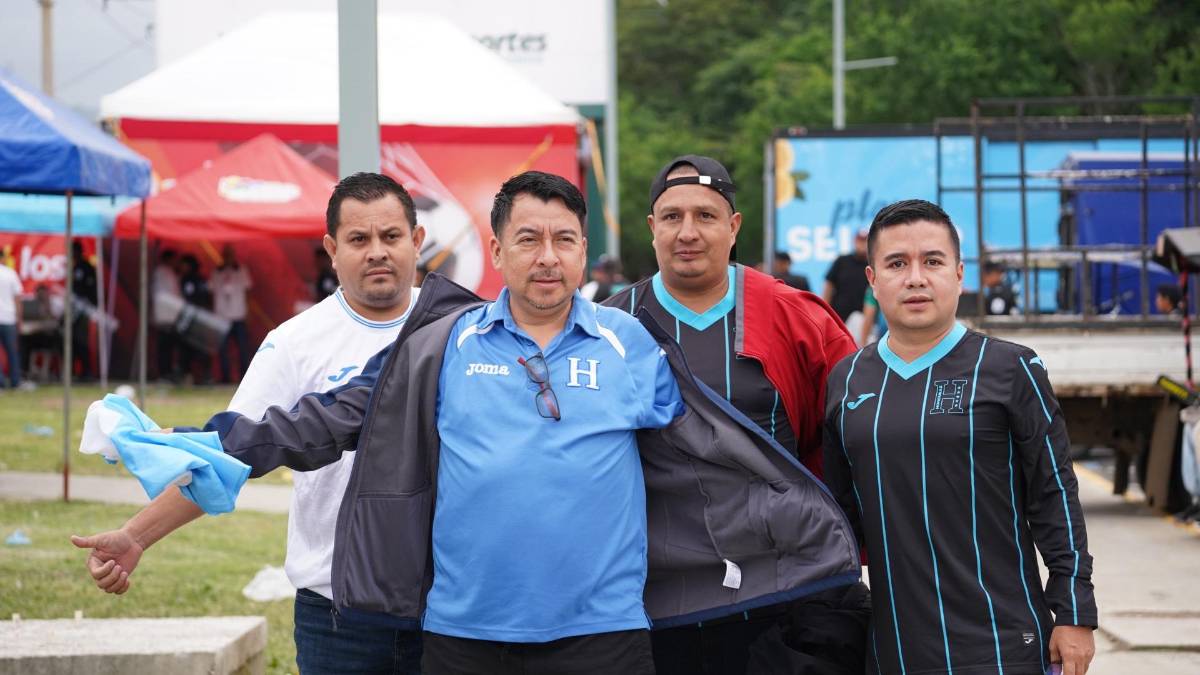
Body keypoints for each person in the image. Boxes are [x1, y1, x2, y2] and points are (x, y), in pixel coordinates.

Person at [75, 171, 860, 674]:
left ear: (584, 250)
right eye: (528, 239)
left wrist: (807, 540)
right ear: (497, 249)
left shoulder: (632, 345)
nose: (546, 256)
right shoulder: (440, 345)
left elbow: (716, 463)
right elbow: (318, 421)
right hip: (464, 638)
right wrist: (198, 444)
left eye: (563, 239)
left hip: (605, 637)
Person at [71, 172, 429, 674]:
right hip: (337, 612)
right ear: (331, 249)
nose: (377, 252)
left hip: (443, 605)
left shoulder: (456, 329)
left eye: (391, 236)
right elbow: (227, 456)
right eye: (358, 239)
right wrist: (136, 536)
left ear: (416, 240)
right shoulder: (295, 342)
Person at [606, 155, 869, 674]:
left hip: (787, 594)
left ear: (733, 226)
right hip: (659, 601)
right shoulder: (609, 328)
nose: (688, 232)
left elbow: (851, 443)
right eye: (673, 216)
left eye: (705, 215)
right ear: (652, 227)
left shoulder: (797, 317)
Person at [823, 199, 1097, 675]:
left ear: (958, 273)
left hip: (1003, 643)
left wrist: (1074, 611)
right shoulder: (846, 381)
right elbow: (839, 516)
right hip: (896, 647)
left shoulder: (1011, 368)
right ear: (873, 280)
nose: (915, 278)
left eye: (932, 261)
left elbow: (1054, 495)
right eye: (896, 264)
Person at [210, 244, 253, 383]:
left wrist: (248, 311)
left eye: (230, 254)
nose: (228, 257)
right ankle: (225, 378)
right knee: (223, 349)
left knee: (243, 347)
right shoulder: (216, 272)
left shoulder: (241, 270)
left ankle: (245, 378)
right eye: (226, 254)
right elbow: (211, 292)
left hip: (238, 314)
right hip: (221, 315)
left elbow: (248, 291)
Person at [824, 228, 870, 325]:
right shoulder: (842, 261)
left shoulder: (872, 265)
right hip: (837, 317)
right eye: (860, 240)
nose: (862, 244)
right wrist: (824, 311)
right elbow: (829, 286)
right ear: (855, 241)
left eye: (865, 241)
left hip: (861, 320)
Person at [178, 254, 211, 383]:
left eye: (184, 264)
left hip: (193, 318)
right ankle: (204, 376)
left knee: (189, 348)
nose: (182, 267)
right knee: (199, 348)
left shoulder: (188, 279)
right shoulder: (201, 279)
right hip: (201, 317)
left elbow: (189, 298)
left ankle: (190, 375)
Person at [153, 249, 182, 381]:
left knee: (169, 346)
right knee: (164, 346)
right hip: (164, 315)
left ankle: (168, 372)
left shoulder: (171, 272)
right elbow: (162, 294)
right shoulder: (160, 272)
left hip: (171, 315)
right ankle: (164, 373)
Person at [71, 240, 98, 380]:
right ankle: (78, 371)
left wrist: (90, 305)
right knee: (74, 340)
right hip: (75, 308)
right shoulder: (76, 267)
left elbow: (90, 289)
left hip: (85, 309)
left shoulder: (86, 267)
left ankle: (87, 372)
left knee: (81, 340)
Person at [0, 249, 23, 390]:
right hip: (9, 318)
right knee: (13, 352)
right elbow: (17, 298)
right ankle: (15, 381)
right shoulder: (10, 274)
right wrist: (19, 319)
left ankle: (1, 383)